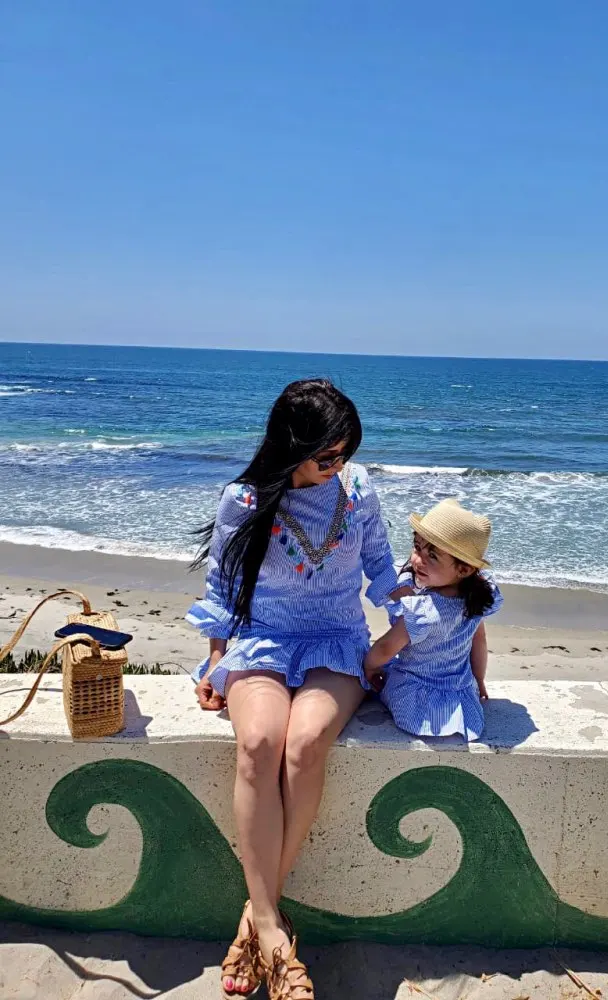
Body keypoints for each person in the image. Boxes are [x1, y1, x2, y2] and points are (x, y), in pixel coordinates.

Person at [187, 379, 402, 1000]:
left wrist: (415, 631)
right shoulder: (245, 499)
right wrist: (215, 663)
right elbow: (223, 589)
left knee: (305, 745)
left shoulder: (358, 491)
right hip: (263, 640)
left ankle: (257, 924)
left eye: (346, 451)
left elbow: (382, 569)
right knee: (258, 743)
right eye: (328, 454)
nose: (340, 464)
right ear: (292, 445)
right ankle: (274, 934)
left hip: (337, 641)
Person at [364, 498, 502, 742]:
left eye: (432, 556)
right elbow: (479, 641)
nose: (418, 560)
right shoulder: (473, 602)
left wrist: (370, 668)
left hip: (416, 697)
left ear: (464, 569)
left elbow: (385, 648)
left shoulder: (424, 610)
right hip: (458, 691)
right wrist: (478, 680)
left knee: (369, 676)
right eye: (417, 547)